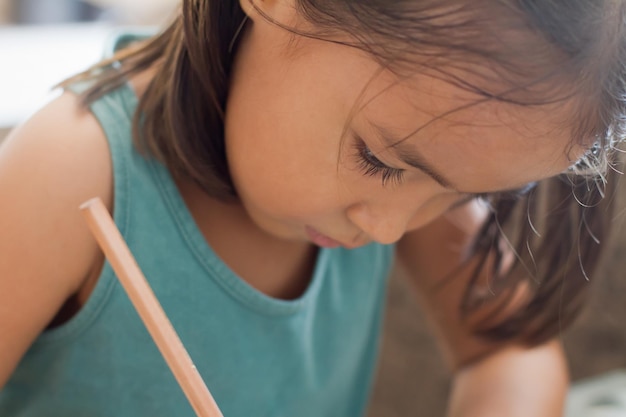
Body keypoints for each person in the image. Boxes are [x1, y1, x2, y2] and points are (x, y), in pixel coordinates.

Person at [0, 0, 623, 416]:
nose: (388, 228)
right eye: (379, 161)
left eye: (469, 193)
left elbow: (511, 352)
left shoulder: (420, 187)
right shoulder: (68, 172)